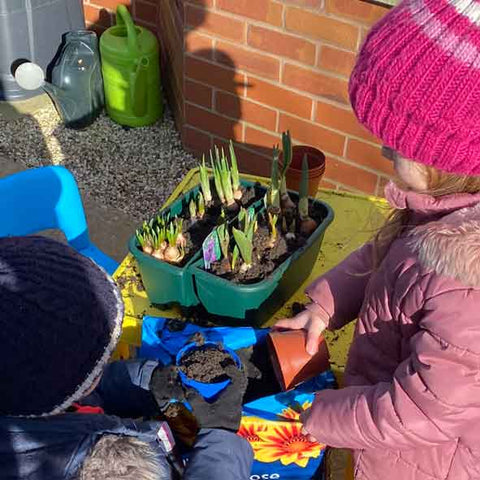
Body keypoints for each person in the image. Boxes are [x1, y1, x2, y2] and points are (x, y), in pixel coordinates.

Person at [275, 1, 480, 478]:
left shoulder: (468, 283)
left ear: (452, 158)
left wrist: (321, 417)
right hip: (382, 422)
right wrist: (326, 304)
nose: (384, 147)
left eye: (398, 144)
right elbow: (389, 257)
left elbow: (423, 410)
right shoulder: (445, 212)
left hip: (420, 462)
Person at [0, 235, 252, 479]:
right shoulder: (102, 470)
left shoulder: (26, 393)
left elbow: (85, 389)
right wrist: (221, 437)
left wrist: (148, 381)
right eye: (99, 355)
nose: (108, 357)